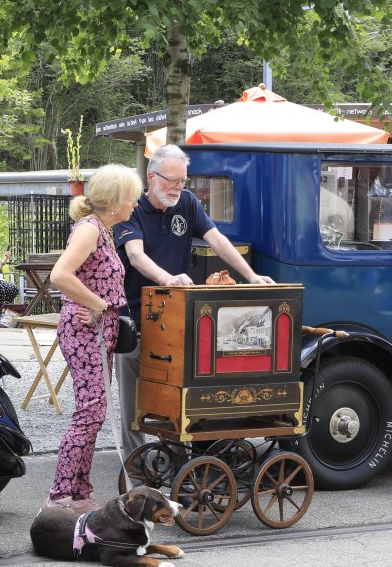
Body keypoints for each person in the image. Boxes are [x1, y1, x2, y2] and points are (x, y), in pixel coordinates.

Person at [113, 144, 274, 462]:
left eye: (183, 180)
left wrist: (251, 276)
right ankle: (135, 467)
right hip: (135, 318)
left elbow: (217, 240)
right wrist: (168, 279)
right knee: (134, 401)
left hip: (174, 320)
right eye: (172, 180)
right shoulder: (131, 209)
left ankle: (177, 461)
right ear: (151, 176)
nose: (178, 187)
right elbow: (135, 255)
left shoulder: (187, 203)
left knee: (176, 394)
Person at [44, 163, 144, 513]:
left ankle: (79, 493)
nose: (135, 204)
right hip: (87, 330)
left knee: (95, 412)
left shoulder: (103, 228)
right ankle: (60, 495)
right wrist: (98, 304)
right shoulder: (89, 229)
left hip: (98, 329)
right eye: (131, 198)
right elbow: (60, 275)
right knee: (89, 412)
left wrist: (99, 307)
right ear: (114, 202)